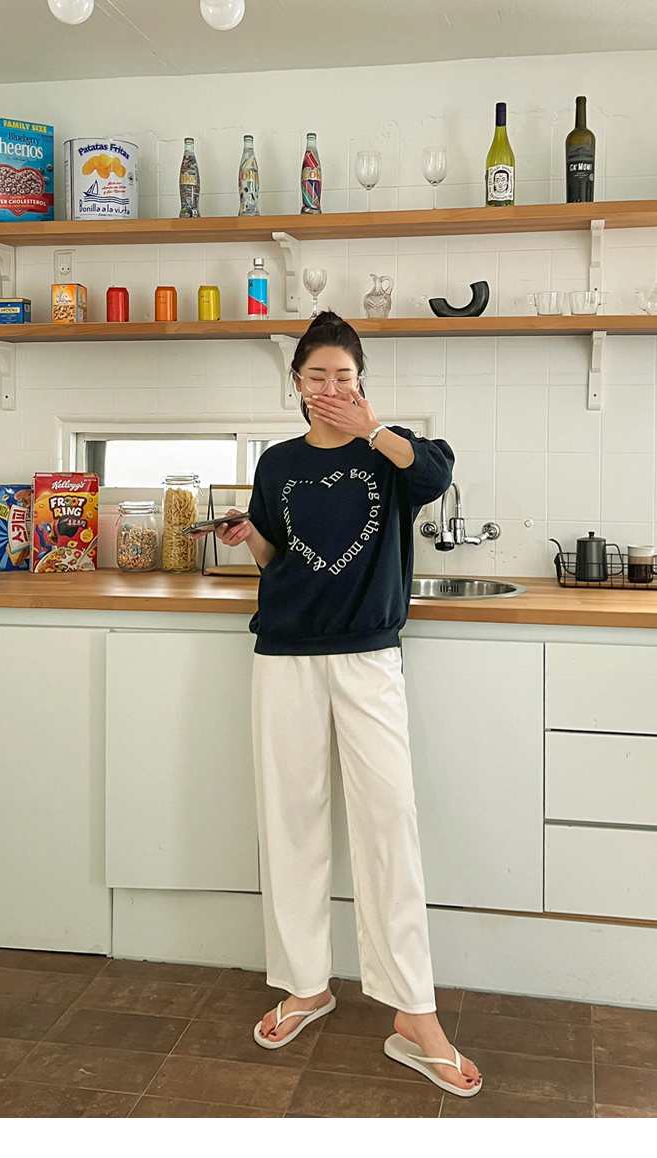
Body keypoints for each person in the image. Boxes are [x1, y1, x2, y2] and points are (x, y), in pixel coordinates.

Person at [217, 311, 482, 1096]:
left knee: (388, 823)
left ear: (362, 384)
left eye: (344, 375)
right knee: (290, 822)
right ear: (296, 384)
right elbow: (277, 555)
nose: (331, 387)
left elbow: (435, 478)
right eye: (317, 375)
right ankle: (306, 985)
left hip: (368, 656)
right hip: (285, 655)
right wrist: (248, 536)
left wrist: (373, 430)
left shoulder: (391, 452)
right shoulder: (277, 462)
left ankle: (413, 1012)